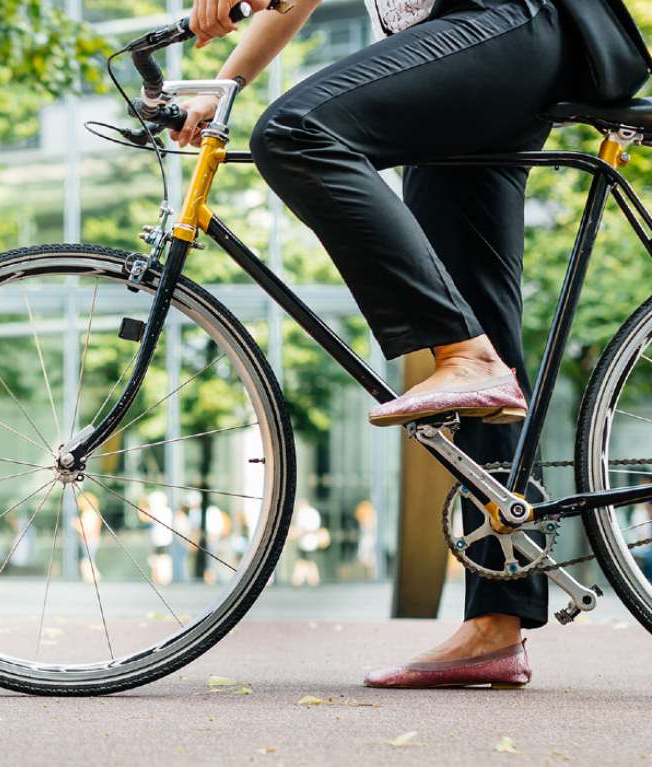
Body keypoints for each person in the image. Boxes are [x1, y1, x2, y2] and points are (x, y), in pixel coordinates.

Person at [177, 0, 583, 688]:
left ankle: (466, 355)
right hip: (470, 46)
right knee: (477, 314)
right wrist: (228, 83)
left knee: (297, 130)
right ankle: (497, 621)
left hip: (508, 21)